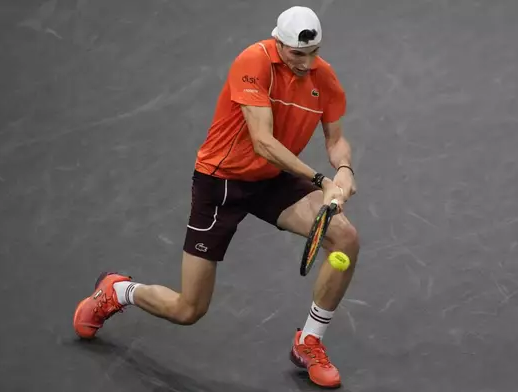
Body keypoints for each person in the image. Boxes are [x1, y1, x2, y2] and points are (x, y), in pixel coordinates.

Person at [73, 5, 359, 389]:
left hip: (273, 179)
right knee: (188, 309)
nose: (306, 63)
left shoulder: (323, 77)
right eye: (297, 54)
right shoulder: (253, 62)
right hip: (221, 182)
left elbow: (336, 139)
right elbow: (262, 142)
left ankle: (309, 341)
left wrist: (344, 170)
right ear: (279, 43)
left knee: (345, 238)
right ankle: (118, 290)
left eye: (314, 52)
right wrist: (323, 179)